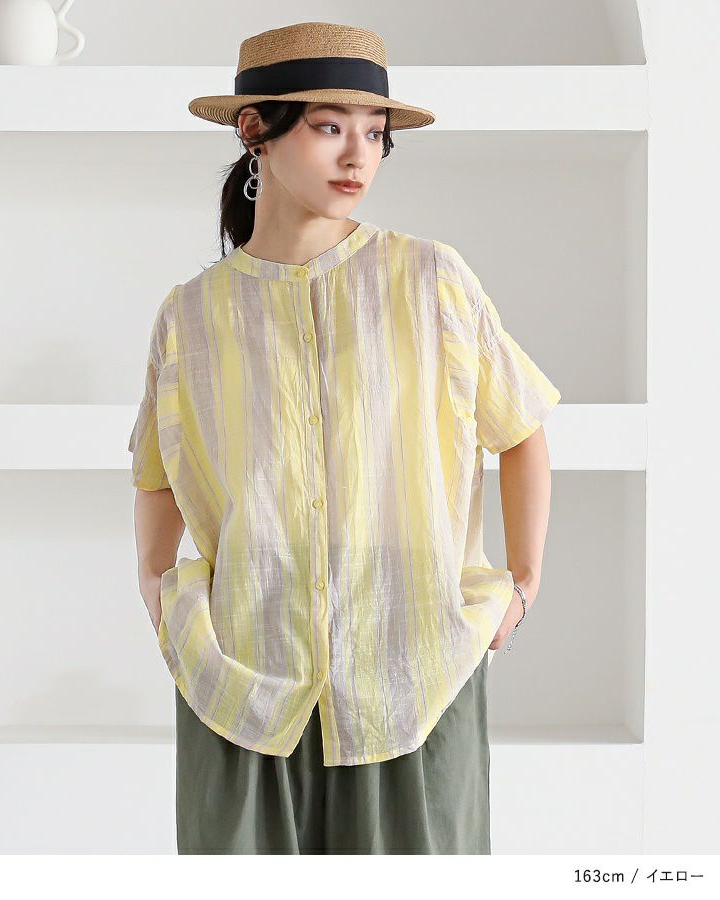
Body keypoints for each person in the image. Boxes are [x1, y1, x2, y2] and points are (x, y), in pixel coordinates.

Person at [128, 21, 561, 854]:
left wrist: (524, 586)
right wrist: (156, 591)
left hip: (413, 670)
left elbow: (520, 429)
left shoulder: (431, 278)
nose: (358, 155)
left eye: (375, 133)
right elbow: (157, 471)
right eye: (330, 127)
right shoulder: (192, 314)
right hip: (241, 676)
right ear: (255, 128)